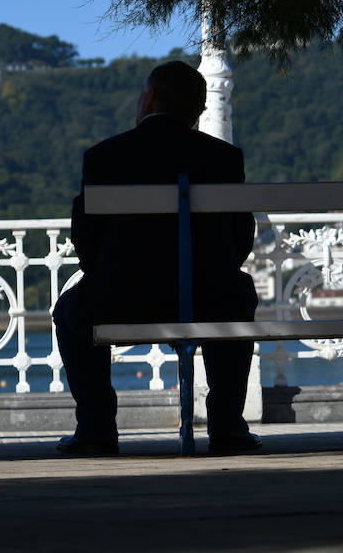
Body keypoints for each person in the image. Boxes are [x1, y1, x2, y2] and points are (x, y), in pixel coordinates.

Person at [52, 60, 260, 455]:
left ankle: (96, 426)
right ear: (198, 111)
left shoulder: (105, 157)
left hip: (120, 297)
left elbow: (85, 238)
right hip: (209, 298)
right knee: (238, 292)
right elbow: (240, 238)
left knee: (70, 310)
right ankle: (227, 424)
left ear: (149, 97)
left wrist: (105, 273)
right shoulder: (223, 158)